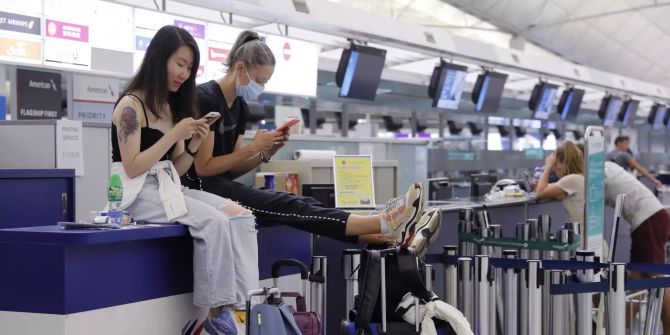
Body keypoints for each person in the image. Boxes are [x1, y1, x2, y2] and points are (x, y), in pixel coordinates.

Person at [184, 29, 441, 250]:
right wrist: (252, 147)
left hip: (222, 187)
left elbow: (232, 169)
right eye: (260, 80)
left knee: (302, 203)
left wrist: (266, 153)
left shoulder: (239, 106)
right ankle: (384, 223)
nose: (261, 87)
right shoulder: (206, 98)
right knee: (288, 203)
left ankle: (384, 236)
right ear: (240, 68)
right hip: (200, 190)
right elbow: (204, 168)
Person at [535, 141, 585, 233]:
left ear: (564, 164)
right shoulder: (580, 178)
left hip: (582, 239)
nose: (554, 168)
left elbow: (540, 192)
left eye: (555, 164)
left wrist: (548, 166)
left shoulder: (572, 179)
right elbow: (551, 189)